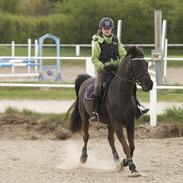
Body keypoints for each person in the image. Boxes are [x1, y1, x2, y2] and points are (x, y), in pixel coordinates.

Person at [89, 17, 148, 122]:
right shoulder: (97, 42)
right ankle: (95, 112)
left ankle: (137, 108)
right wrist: (103, 66)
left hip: (116, 70)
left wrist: (119, 64)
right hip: (103, 71)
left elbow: (123, 54)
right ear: (101, 29)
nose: (107, 30)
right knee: (97, 87)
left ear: (111, 29)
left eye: (109, 28)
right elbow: (94, 59)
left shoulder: (116, 40)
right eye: (105, 28)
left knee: (131, 84)